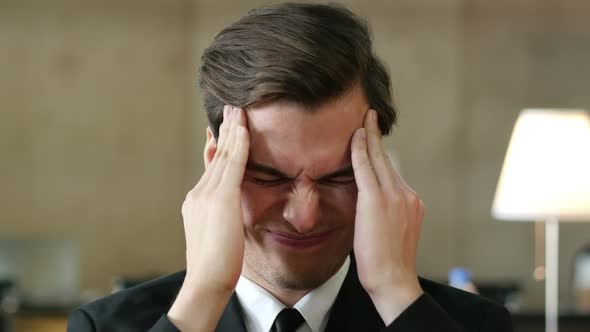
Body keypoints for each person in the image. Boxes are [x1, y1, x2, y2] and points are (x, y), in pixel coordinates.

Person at [67, 3, 513, 332]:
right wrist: (201, 300)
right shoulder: (107, 326)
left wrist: (396, 292)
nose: (305, 216)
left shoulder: (474, 324)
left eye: (339, 176)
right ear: (214, 161)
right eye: (270, 176)